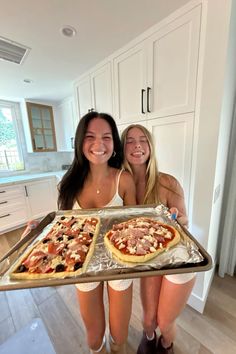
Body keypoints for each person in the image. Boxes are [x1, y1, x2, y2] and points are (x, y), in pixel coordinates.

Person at [57, 112, 136, 354]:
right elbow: (64, 232)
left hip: (119, 264)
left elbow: (134, 228)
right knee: (93, 339)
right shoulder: (68, 185)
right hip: (84, 267)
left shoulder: (125, 180)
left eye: (107, 137)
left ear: (114, 144)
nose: (99, 144)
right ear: (80, 142)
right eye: (90, 136)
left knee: (120, 336)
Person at [121, 124, 196, 354]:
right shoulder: (122, 187)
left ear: (150, 147)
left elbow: (184, 225)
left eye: (143, 140)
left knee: (165, 321)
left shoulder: (168, 183)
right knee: (147, 321)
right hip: (151, 262)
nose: (137, 146)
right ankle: (150, 338)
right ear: (122, 149)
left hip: (178, 260)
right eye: (130, 141)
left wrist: (179, 221)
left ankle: (166, 344)